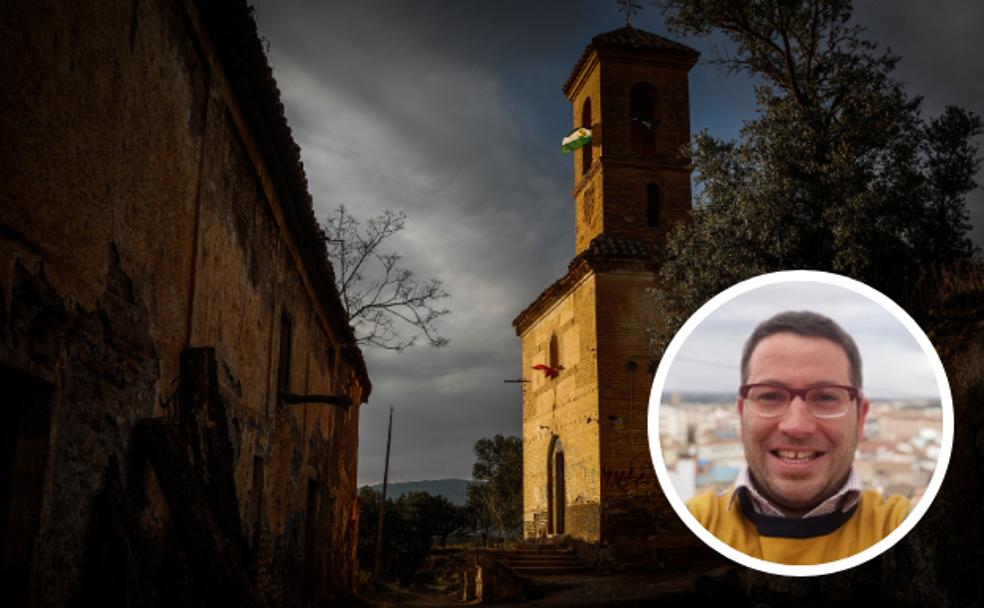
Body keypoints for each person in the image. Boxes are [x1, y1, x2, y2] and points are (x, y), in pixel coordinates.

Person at [686, 311, 910, 565]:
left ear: (860, 418)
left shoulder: (901, 526)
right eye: (770, 396)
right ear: (741, 414)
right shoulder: (696, 522)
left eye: (825, 397)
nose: (796, 426)